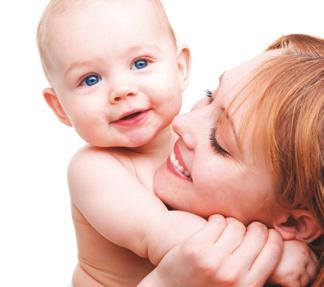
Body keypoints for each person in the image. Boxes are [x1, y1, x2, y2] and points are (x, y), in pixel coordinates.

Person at [37, 0, 319, 285]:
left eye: (140, 63)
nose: (122, 90)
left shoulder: (194, 148)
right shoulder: (95, 169)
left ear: (180, 66)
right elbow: (163, 234)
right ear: (59, 106)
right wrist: (275, 255)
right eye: (90, 80)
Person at [141, 33, 324, 286]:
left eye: (220, 143)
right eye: (210, 95)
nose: (180, 122)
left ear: (292, 221)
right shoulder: (118, 170)